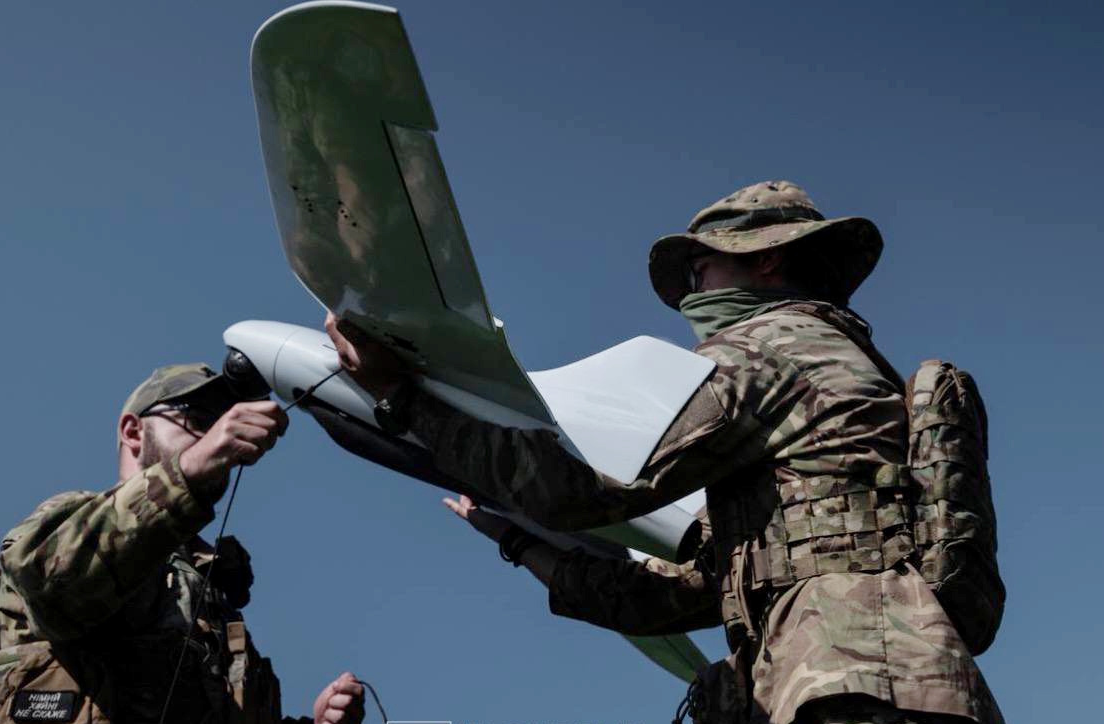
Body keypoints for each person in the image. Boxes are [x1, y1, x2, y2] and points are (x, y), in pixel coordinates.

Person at [326, 181, 1003, 724]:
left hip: (854, 685)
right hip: (881, 677)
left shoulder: (769, 350)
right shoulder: (822, 380)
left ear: (766, 259)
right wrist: (513, 539)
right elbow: (661, 598)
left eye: (702, 269)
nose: (693, 294)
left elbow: (584, 490)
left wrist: (403, 398)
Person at [0, 363, 365, 724]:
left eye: (222, 420)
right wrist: (192, 466)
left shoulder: (211, 594)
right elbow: (53, 584)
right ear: (133, 432)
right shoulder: (72, 524)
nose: (217, 430)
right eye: (199, 419)